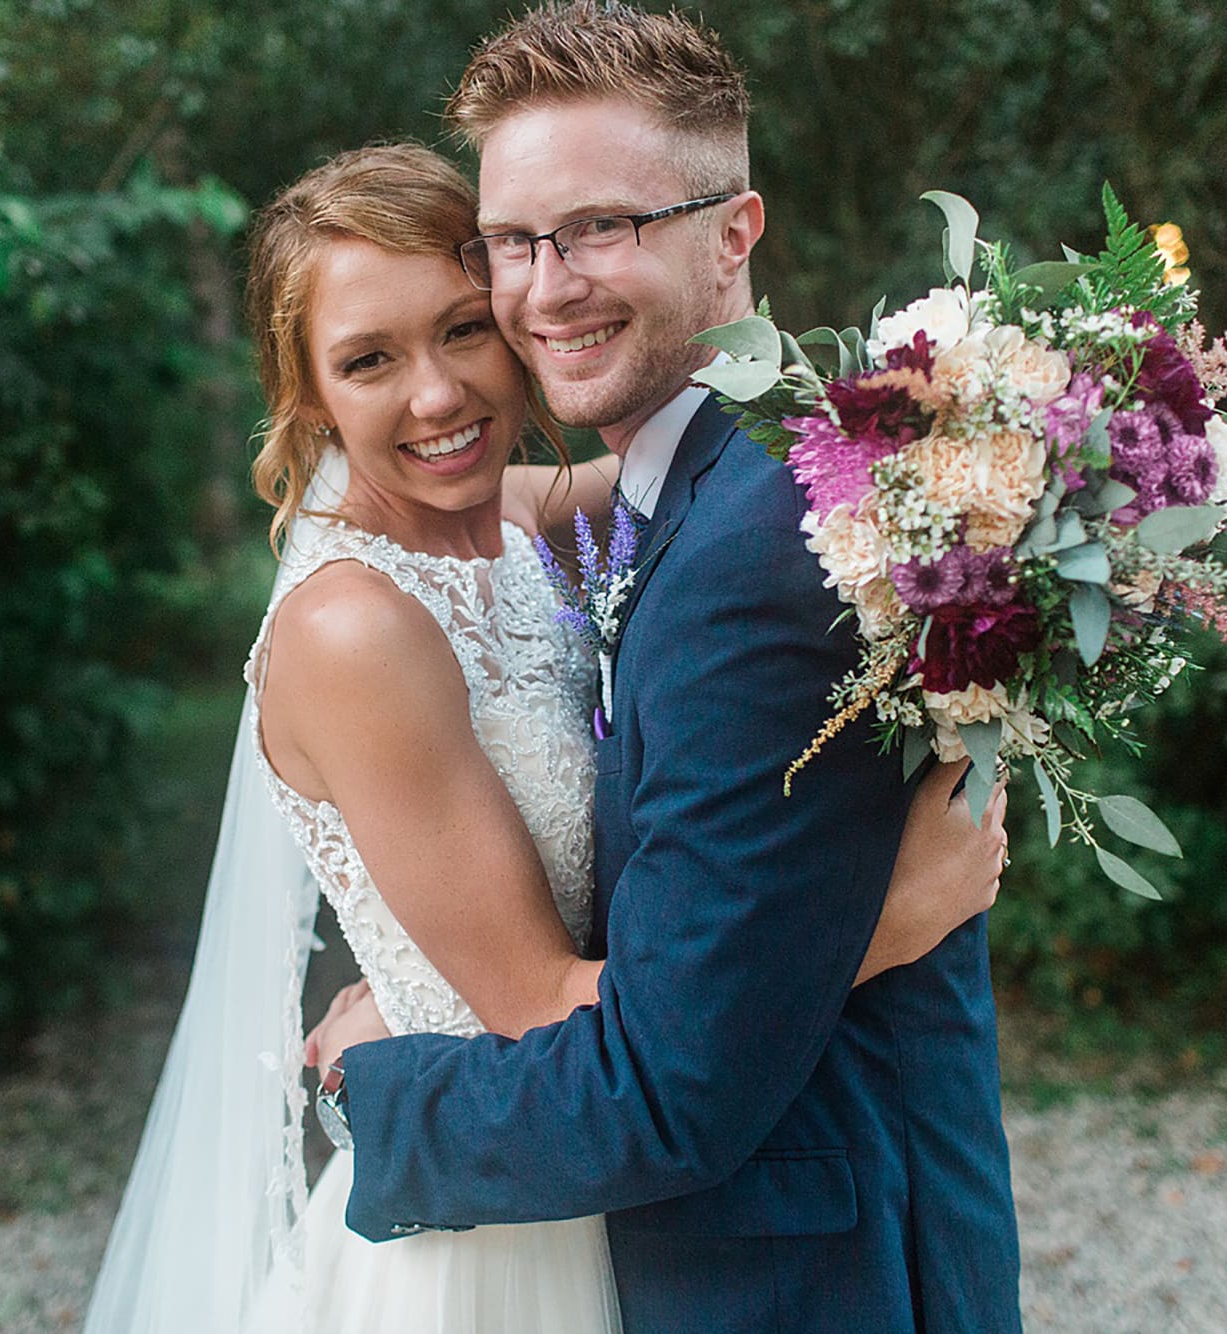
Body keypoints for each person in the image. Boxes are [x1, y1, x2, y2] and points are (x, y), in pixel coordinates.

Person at [83, 137, 1007, 1332]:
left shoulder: (505, 518)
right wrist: (883, 921)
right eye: (368, 360)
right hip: (498, 1238)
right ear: (306, 396)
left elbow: (722, 489)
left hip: (611, 1193)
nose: (437, 394)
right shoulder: (354, 627)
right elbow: (544, 1007)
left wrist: (978, 451)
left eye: (462, 328)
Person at [312, 6, 1023, 1333]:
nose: (544, 286)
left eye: (600, 227)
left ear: (733, 233)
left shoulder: (756, 545)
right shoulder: (711, 482)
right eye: (513, 242)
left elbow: (672, 1081)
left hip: (809, 1279)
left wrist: (377, 1086)